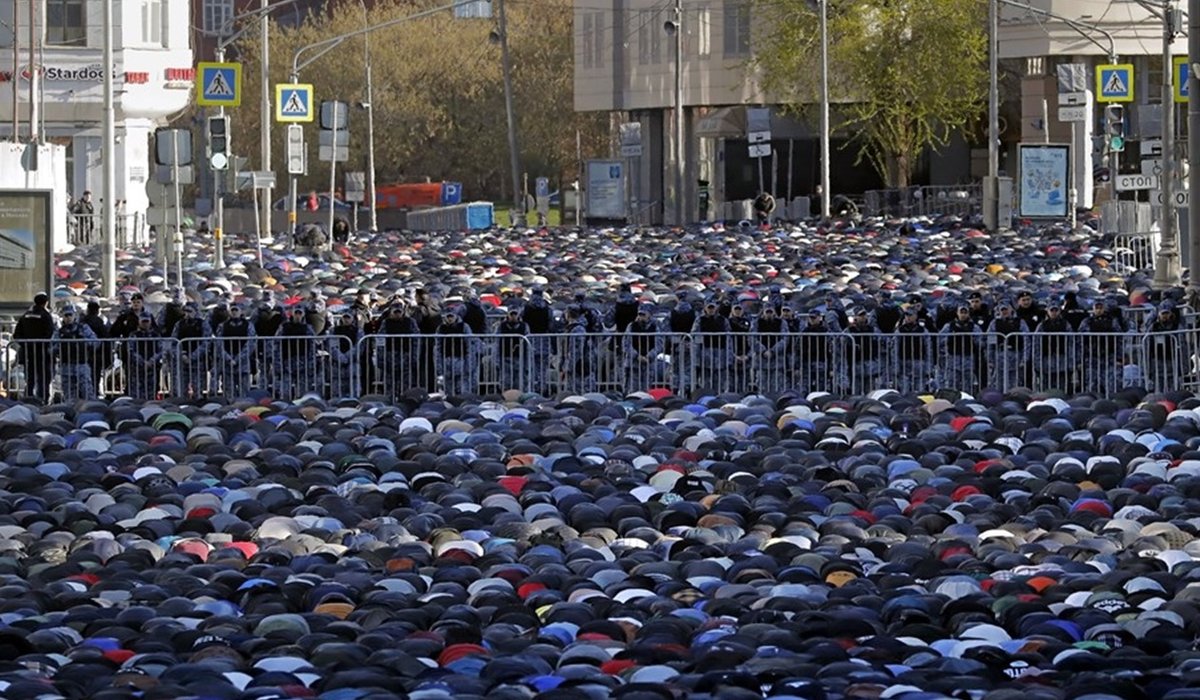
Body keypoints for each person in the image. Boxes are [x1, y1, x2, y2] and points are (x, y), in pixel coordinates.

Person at [13, 293, 56, 401]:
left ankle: (29, 397)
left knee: (30, 376)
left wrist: (26, 344)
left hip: (28, 351)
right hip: (42, 352)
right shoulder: (46, 315)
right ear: (46, 303)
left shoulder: (26, 315)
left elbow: (17, 334)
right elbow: (50, 332)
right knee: (44, 376)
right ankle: (43, 398)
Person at [52, 305, 98, 401]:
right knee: (69, 394)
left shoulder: (83, 328)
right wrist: (59, 346)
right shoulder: (60, 332)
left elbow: (95, 342)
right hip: (66, 365)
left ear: (74, 315)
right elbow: (51, 347)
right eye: (66, 315)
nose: (68, 318)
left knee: (87, 392)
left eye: (70, 315)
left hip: (81, 364)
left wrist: (83, 342)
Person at [376, 303, 419, 399]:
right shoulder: (385, 323)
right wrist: (380, 358)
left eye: (399, 312)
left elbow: (416, 340)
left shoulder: (410, 322)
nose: (397, 314)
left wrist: (415, 357)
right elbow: (380, 341)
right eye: (395, 312)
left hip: (406, 357)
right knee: (389, 388)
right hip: (389, 358)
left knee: (406, 388)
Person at [273, 305, 317, 400]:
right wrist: (277, 362)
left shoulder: (308, 328)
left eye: (299, 313)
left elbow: (313, 346)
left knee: (302, 393)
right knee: (285, 393)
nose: (297, 315)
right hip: (286, 361)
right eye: (296, 313)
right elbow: (276, 343)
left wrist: (311, 363)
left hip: (302, 361)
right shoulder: (284, 327)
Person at [215, 303, 257, 398]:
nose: (234, 313)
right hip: (227, 363)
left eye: (236, 310)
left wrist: (238, 359)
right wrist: (228, 359)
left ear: (241, 311)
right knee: (229, 392)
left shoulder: (248, 325)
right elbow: (218, 344)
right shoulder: (223, 326)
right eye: (232, 310)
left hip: (243, 363)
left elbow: (251, 343)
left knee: (244, 392)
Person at [1032, 301, 1075, 393]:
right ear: (1047, 311)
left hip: (1062, 361)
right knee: (1046, 390)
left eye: (1056, 310)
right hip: (1046, 362)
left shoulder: (1066, 325)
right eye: (1052, 310)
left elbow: (1071, 343)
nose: (1054, 312)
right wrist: (1037, 362)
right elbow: (1036, 344)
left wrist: (1071, 362)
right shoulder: (1042, 326)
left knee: (1063, 389)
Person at [986, 301, 1029, 391]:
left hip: (1016, 356)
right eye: (1002, 310)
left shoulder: (1020, 322)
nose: (1004, 312)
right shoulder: (994, 323)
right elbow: (990, 342)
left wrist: (1024, 359)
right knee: (997, 384)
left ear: (1011, 309)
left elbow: (1026, 341)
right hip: (999, 356)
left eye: (1006, 309)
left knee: (1015, 385)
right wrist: (990, 359)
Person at [939, 304, 982, 393]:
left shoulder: (974, 327)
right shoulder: (949, 326)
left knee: (968, 384)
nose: (963, 315)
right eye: (961, 312)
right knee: (952, 383)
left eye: (965, 312)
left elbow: (980, 341)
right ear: (957, 313)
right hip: (953, 358)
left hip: (968, 358)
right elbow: (940, 340)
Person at [434, 308, 477, 396]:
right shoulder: (440, 328)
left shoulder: (464, 327)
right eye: (448, 317)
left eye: (452, 316)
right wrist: (439, 367)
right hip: (447, 362)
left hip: (461, 361)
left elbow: (469, 346)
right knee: (449, 391)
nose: (450, 319)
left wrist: (469, 364)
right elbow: (438, 347)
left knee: (463, 390)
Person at [172, 303, 211, 399]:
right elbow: (174, 341)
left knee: (198, 389)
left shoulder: (203, 324)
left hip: (197, 360)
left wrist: (193, 356)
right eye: (185, 311)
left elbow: (207, 341)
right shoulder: (179, 324)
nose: (187, 314)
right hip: (182, 359)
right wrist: (182, 355)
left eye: (190, 311)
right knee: (181, 389)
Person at [691, 301, 731, 393]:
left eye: (713, 308)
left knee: (719, 379)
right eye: (709, 308)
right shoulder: (699, 320)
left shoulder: (723, 320)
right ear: (705, 308)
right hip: (705, 352)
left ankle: (718, 395)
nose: (711, 310)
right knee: (706, 379)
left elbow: (729, 337)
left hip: (720, 352)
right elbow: (694, 334)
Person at [623, 304, 664, 392]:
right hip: (633, 362)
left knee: (646, 390)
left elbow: (660, 344)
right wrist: (637, 356)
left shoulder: (655, 326)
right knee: (632, 389)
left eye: (643, 315)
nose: (641, 317)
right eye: (639, 314)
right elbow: (626, 344)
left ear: (649, 315)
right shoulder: (631, 326)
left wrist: (649, 356)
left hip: (649, 362)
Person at [125, 312, 165, 401]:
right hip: (137, 369)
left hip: (152, 368)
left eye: (147, 321)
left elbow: (161, 350)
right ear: (139, 322)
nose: (145, 323)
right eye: (143, 321)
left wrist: (151, 361)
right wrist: (142, 362)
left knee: (151, 394)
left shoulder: (156, 335)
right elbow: (131, 350)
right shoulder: (134, 335)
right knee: (136, 395)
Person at [521, 287, 554, 395]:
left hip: (529, 338)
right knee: (543, 366)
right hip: (544, 338)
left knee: (530, 365)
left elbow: (522, 320)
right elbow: (550, 323)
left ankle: (531, 387)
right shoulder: (547, 308)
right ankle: (542, 386)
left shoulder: (527, 307)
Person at [893, 306, 932, 394]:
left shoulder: (922, 331)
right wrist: (896, 367)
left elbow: (928, 349)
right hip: (904, 364)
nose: (908, 317)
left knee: (920, 392)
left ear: (916, 316)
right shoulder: (900, 330)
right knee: (904, 392)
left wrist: (928, 368)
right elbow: (894, 349)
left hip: (919, 364)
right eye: (906, 315)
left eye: (910, 315)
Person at [752, 304, 789, 395]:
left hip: (777, 360)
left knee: (777, 386)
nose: (769, 314)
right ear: (763, 312)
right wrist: (763, 350)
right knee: (761, 386)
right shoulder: (756, 323)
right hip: (761, 360)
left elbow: (785, 339)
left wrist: (773, 351)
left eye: (770, 312)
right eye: (767, 312)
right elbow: (752, 338)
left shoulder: (782, 323)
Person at [559, 307, 594, 394]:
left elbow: (576, 350)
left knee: (577, 392)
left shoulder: (577, 329)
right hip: (576, 366)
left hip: (579, 367)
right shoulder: (572, 328)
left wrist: (567, 368)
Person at [327, 312, 362, 398]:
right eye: (345, 317)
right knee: (336, 390)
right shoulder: (333, 330)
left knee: (354, 389)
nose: (346, 320)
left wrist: (348, 356)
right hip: (337, 364)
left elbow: (360, 345)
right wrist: (340, 357)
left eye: (348, 318)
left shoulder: (358, 331)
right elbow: (331, 345)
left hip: (353, 363)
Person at [494, 308, 529, 392]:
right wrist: (496, 359)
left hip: (520, 358)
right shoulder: (501, 326)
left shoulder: (524, 326)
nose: (513, 317)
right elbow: (496, 342)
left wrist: (527, 362)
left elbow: (528, 343)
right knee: (506, 382)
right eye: (511, 314)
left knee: (520, 382)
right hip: (505, 357)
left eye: (515, 314)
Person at [82, 300, 110, 397]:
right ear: (98, 311)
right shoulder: (100, 323)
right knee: (95, 376)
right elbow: (106, 339)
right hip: (97, 354)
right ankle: (94, 393)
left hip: (83, 355)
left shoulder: (82, 322)